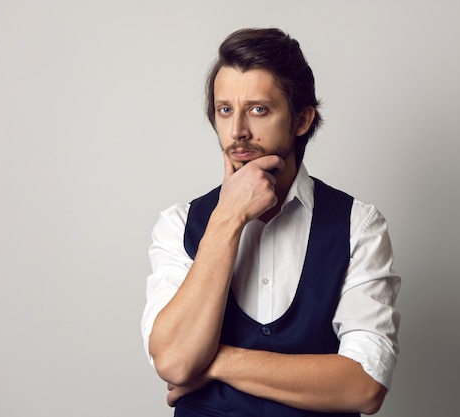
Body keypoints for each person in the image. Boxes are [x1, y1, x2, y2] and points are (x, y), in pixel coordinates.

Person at [141, 28, 401, 416]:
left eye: (258, 109)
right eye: (225, 109)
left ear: (301, 120)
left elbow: (364, 386)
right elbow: (175, 364)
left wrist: (216, 363)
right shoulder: (180, 224)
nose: (237, 132)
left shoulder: (357, 226)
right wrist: (227, 219)